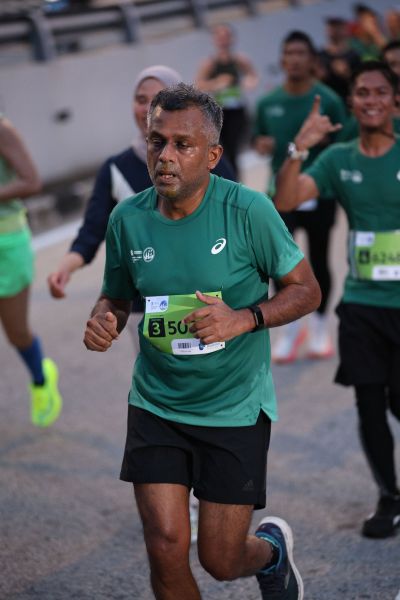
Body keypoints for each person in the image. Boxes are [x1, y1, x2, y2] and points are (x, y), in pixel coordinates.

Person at [83, 83, 321, 599]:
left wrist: (245, 318)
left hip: (233, 408)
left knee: (221, 559)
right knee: (165, 545)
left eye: (182, 144)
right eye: (157, 141)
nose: (165, 155)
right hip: (156, 403)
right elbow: (116, 297)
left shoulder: (248, 210)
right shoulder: (128, 218)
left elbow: (306, 290)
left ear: (212, 155)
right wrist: (104, 319)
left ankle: (272, 554)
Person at [274, 61, 400, 539]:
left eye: (380, 92)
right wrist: (299, 147)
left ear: (394, 101)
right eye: (362, 92)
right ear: (351, 103)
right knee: (368, 403)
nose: (371, 100)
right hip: (362, 304)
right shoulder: (339, 158)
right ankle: (389, 496)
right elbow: (287, 200)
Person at [47, 65, 235, 312]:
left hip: (206, 299)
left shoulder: (206, 160)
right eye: (141, 100)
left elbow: (234, 224)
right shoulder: (116, 169)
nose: (148, 109)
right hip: (143, 307)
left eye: (158, 100)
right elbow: (91, 233)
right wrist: (64, 269)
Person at [253, 30, 347, 363]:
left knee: (318, 259)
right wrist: (261, 144)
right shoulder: (267, 103)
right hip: (281, 195)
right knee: (280, 266)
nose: (294, 59)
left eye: (300, 53)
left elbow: (344, 143)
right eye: (288, 53)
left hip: (319, 192)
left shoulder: (328, 100)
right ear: (282, 60)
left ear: (312, 60)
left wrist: (323, 141)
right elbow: (259, 139)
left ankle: (320, 327)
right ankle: (291, 329)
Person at [0, 115, 62, 427]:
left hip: (6, 244)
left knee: (17, 333)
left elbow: (31, 181)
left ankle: (41, 378)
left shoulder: (2, 129)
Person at [195, 23, 259, 178]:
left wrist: (249, 82)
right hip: (219, 113)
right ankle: (226, 179)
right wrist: (216, 83)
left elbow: (253, 76)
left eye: (226, 36)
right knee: (221, 150)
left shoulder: (239, 60)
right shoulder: (210, 63)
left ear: (232, 39)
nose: (223, 40)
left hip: (237, 111)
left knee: (233, 150)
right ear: (214, 40)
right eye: (219, 37)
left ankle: (234, 181)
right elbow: (198, 85)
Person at [317, 16, 361, 105]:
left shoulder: (354, 55)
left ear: (345, 30)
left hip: (347, 103)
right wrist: (318, 77)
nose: (334, 30)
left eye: (337, 27)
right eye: (331, 26)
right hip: (325, 103)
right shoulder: (319, 55)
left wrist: (346, 74)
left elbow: (360, 83)